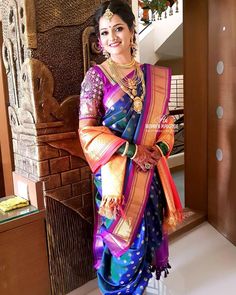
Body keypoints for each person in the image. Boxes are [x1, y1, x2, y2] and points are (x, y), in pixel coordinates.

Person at [78, 1, 182, 294]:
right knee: (126, 241)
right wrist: (132, 151)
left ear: (132, 31)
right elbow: (87, 131)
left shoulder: (153, 76)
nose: (112, 37)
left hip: (150, 170)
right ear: (99, 41)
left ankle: (147, 283)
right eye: (105, 32)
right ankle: (123, 289)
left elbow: (163, 122)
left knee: (150, 229)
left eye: (119, 28)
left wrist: (159, 149)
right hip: (117, 177)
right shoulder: (96, 78)